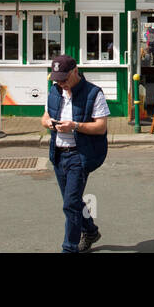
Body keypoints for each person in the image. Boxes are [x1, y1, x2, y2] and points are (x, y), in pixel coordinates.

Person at [41, 55, 109, 252]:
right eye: (57, 79)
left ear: (75, 71)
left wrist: (75, 126)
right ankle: (90, 231)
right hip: (58, 153)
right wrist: (48, 123)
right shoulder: (54, 91)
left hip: (79, 155)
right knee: (73, 201)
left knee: (70, 204)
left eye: (64, 78)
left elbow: (101, 127)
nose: (61, 83)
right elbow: (45, 116)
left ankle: (69, 248)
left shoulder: (93, 93)